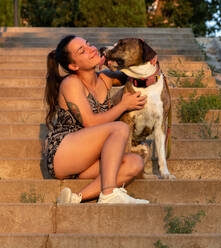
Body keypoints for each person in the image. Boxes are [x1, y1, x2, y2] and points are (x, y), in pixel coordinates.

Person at [43, 35, 149, 204]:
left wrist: (124, 55)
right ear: (74, 65)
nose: (91, 49)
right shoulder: (71, 83)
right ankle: (109, 194)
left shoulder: (105, 78)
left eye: (89, 44)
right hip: (63, 153)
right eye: (82, 51)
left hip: (87, 160)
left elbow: (134, 71)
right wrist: (123, 105)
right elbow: (90, 123)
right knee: (120, 128)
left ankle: (76, 198)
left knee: (135, 162)